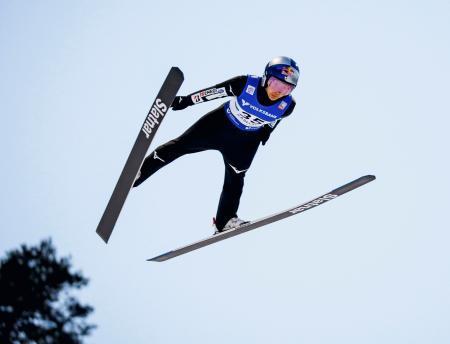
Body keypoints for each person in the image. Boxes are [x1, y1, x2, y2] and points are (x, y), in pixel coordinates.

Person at [133, 56, 300, 234]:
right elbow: (213, 92)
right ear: (266, 78)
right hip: (218, 126)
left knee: (236, 178)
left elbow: (275, 119)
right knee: (179, 146)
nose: (279, 92)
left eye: (286, 88)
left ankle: (225, 220)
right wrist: (186, 101)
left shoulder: (288, 105)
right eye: (276, 84)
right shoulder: (245, 84)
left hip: (245, 142)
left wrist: (267, 132)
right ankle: (138, 173)